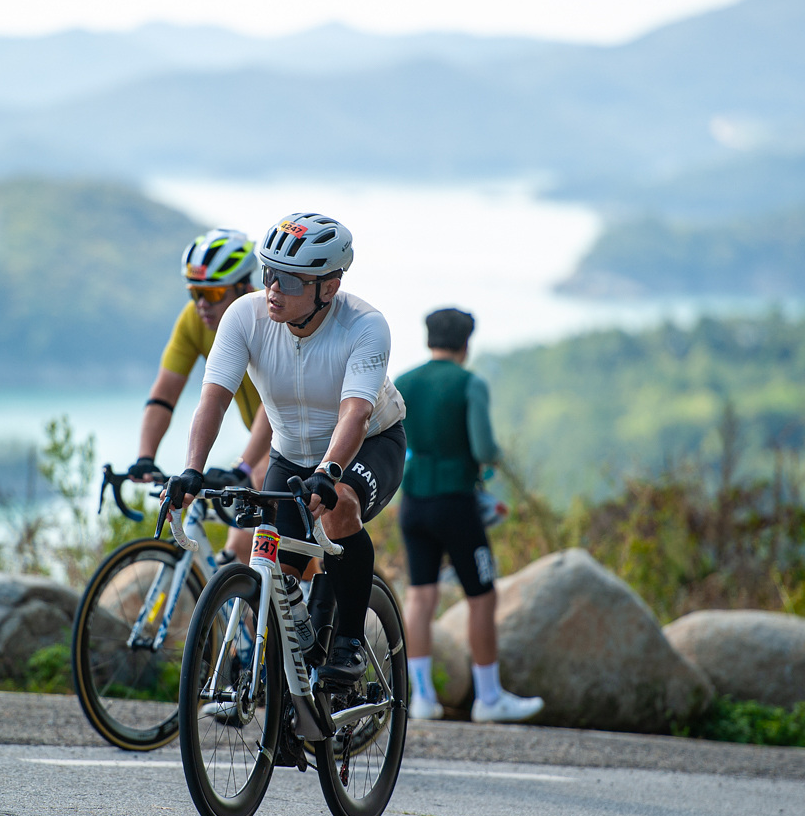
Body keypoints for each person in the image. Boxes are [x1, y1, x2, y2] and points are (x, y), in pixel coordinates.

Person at [168, 212, 406, 684]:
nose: (273, 288)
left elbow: (356, 413)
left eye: (290, 280)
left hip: (369, 444)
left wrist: (330, 471)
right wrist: (192, 469)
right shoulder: (246, 316)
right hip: (291, 454)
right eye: (268, 273)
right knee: (275, 580)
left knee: (339, 507)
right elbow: (213, 399)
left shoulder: (365, 326)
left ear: (329, 287)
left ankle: (349, 643)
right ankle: (280, 691)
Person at [395, 307, 545, 723]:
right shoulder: (469, 383)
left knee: (420, 597)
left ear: (429, 339)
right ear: (466, 344)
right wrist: (494, 461)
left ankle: (422, 698)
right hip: (456, 503)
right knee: (482, 596)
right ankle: (489, 698)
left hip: (413, 501)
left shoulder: (403, 382)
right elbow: (483, 448)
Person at [129, 228, 272, 562]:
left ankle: (309, 584)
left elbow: (274, 404)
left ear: (244, 288)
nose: (202, 304)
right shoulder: (194, 320)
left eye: (214, 292)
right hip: (262, 440)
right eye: (195, 293)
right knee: (240, 553)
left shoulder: (267, 319)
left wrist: (243, 466)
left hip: (298, 434)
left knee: (260, 483)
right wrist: (145, 456)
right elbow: (164, 395)